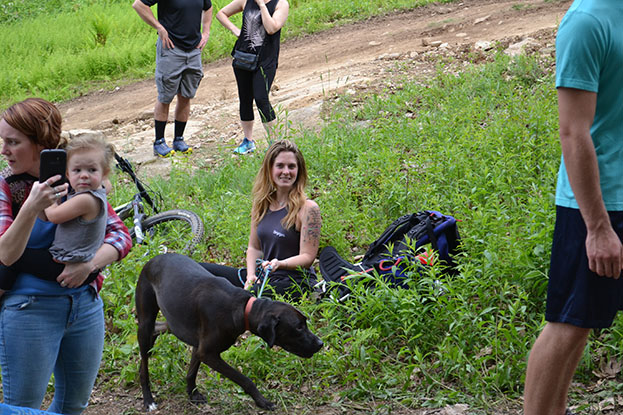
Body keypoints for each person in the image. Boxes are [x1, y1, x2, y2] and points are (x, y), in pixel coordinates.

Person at [0, 98, 132, 414]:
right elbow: (5, 253)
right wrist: (32, 207)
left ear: (40, 142)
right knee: (24, 408)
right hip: (29, 309)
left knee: (74, 405)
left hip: (84, 305)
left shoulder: (76, 176)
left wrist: (89, 264)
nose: (4, 150)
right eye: (3, 141)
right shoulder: (7, 186)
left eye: (13, 142)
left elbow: (119, 235)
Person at [523, 2, 623, 415]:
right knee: (569, 323)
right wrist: (597, 227)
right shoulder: (586, 22)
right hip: (599, 204)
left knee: (580, 325)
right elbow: (572, 131)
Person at [201, 139, 321, 300]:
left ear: (299, 171)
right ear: (270, 169)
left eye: (291, 166)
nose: (286, 171)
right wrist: (250, 276)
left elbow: (307, 257)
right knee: (198, 271)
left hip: (293, 282)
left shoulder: (308, 209)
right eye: (280, 166)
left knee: (241, 298)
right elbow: (254, 248)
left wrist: (280, 264)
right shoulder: (261, 204)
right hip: (262, 277)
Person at [0, 134, 115, 295]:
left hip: (68, 262)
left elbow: (53, 215)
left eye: (13, 142)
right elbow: (105, 185)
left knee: (14, 261)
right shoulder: (86, 188)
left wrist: (44, 198)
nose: (83, 175)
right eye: (77, 170)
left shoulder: (85, 196)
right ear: (69, 173)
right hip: (68, 259)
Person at [132, 0, 213, 157]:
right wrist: (159, 27)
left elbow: (208, 8)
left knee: (186, 96)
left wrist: (206, 32)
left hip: (194, 50)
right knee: (165, 97)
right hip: (171, 48)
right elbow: (139, 5)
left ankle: (179, 140)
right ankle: (159, 142)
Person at [216, 0, 289, 155]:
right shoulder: (245, 0)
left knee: (261, 98)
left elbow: (271, 28)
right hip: (243, 58)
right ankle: (248, 141)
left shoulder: (280, 4)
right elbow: (221, 13)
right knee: (245, 99)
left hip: (266, 61)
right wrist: (236, 30)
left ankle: (275, 144)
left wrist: (262, 5)